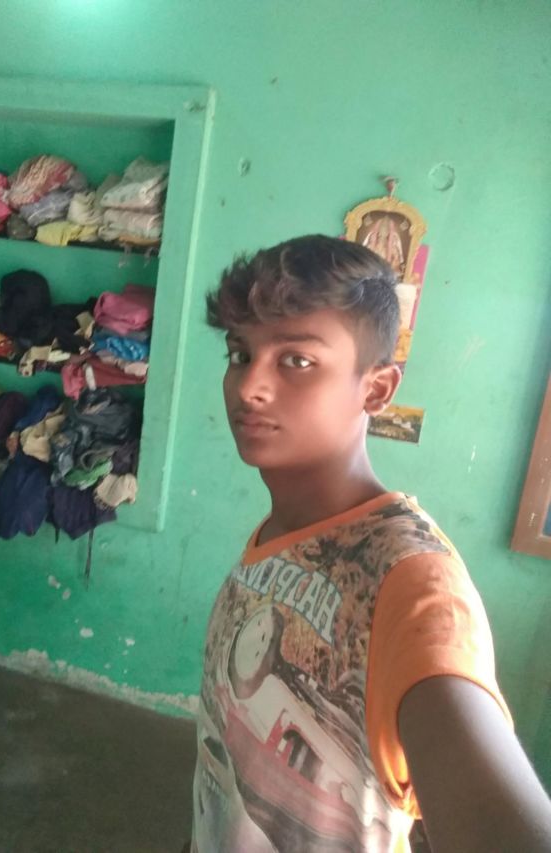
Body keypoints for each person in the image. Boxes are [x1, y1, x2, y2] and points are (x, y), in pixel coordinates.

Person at [190, 235, 551, 852]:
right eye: (239, 353)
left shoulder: (410, 579)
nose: (249, 386)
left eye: (296, 360)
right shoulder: (279, 533)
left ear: (377, 390)